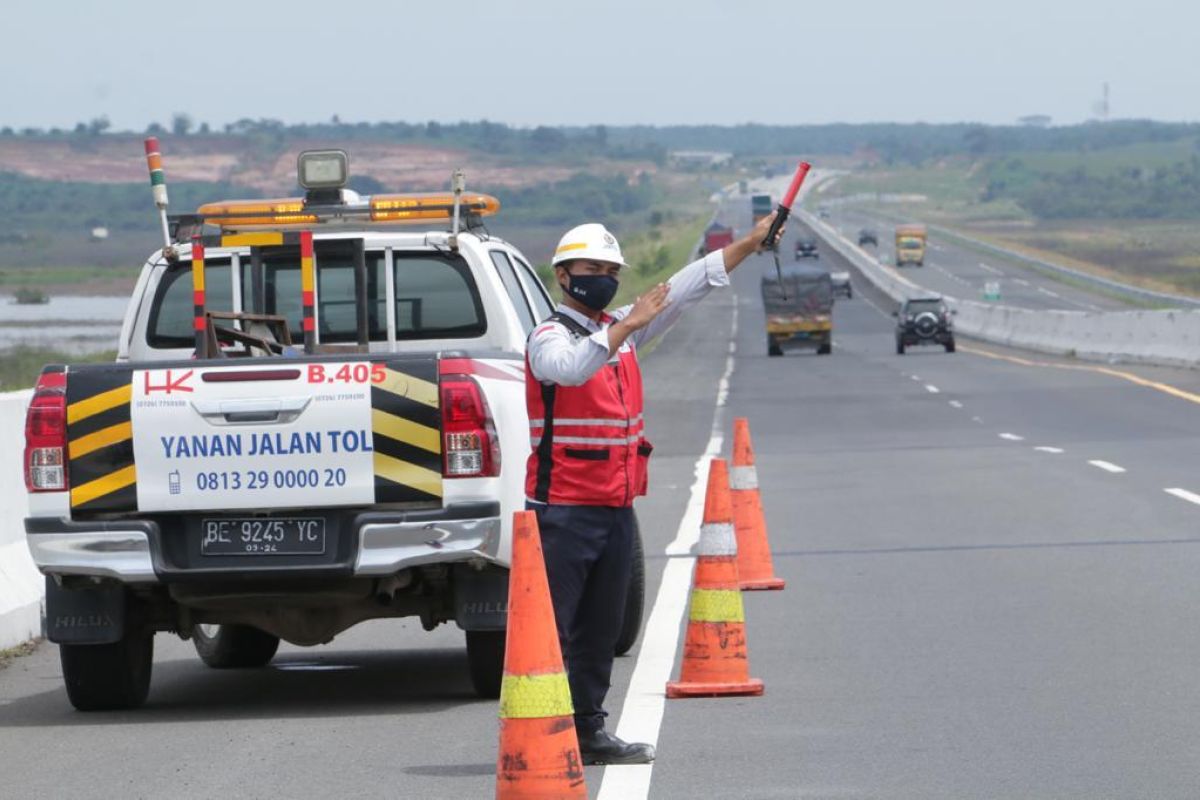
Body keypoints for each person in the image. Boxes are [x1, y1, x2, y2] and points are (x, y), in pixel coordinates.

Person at [524, 212, 783, 765]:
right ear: (564, 277)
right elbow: (568, 370)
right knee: (553, 632)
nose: (605, 278)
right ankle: (542, 734)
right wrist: (622, 326)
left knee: (601, 632)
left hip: (615, 509)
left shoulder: (622, 330)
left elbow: (690, 286)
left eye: (611, 270)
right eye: (593, 268)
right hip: (562, 511)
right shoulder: (548, 335)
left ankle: (589, 731)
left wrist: (750, 242)